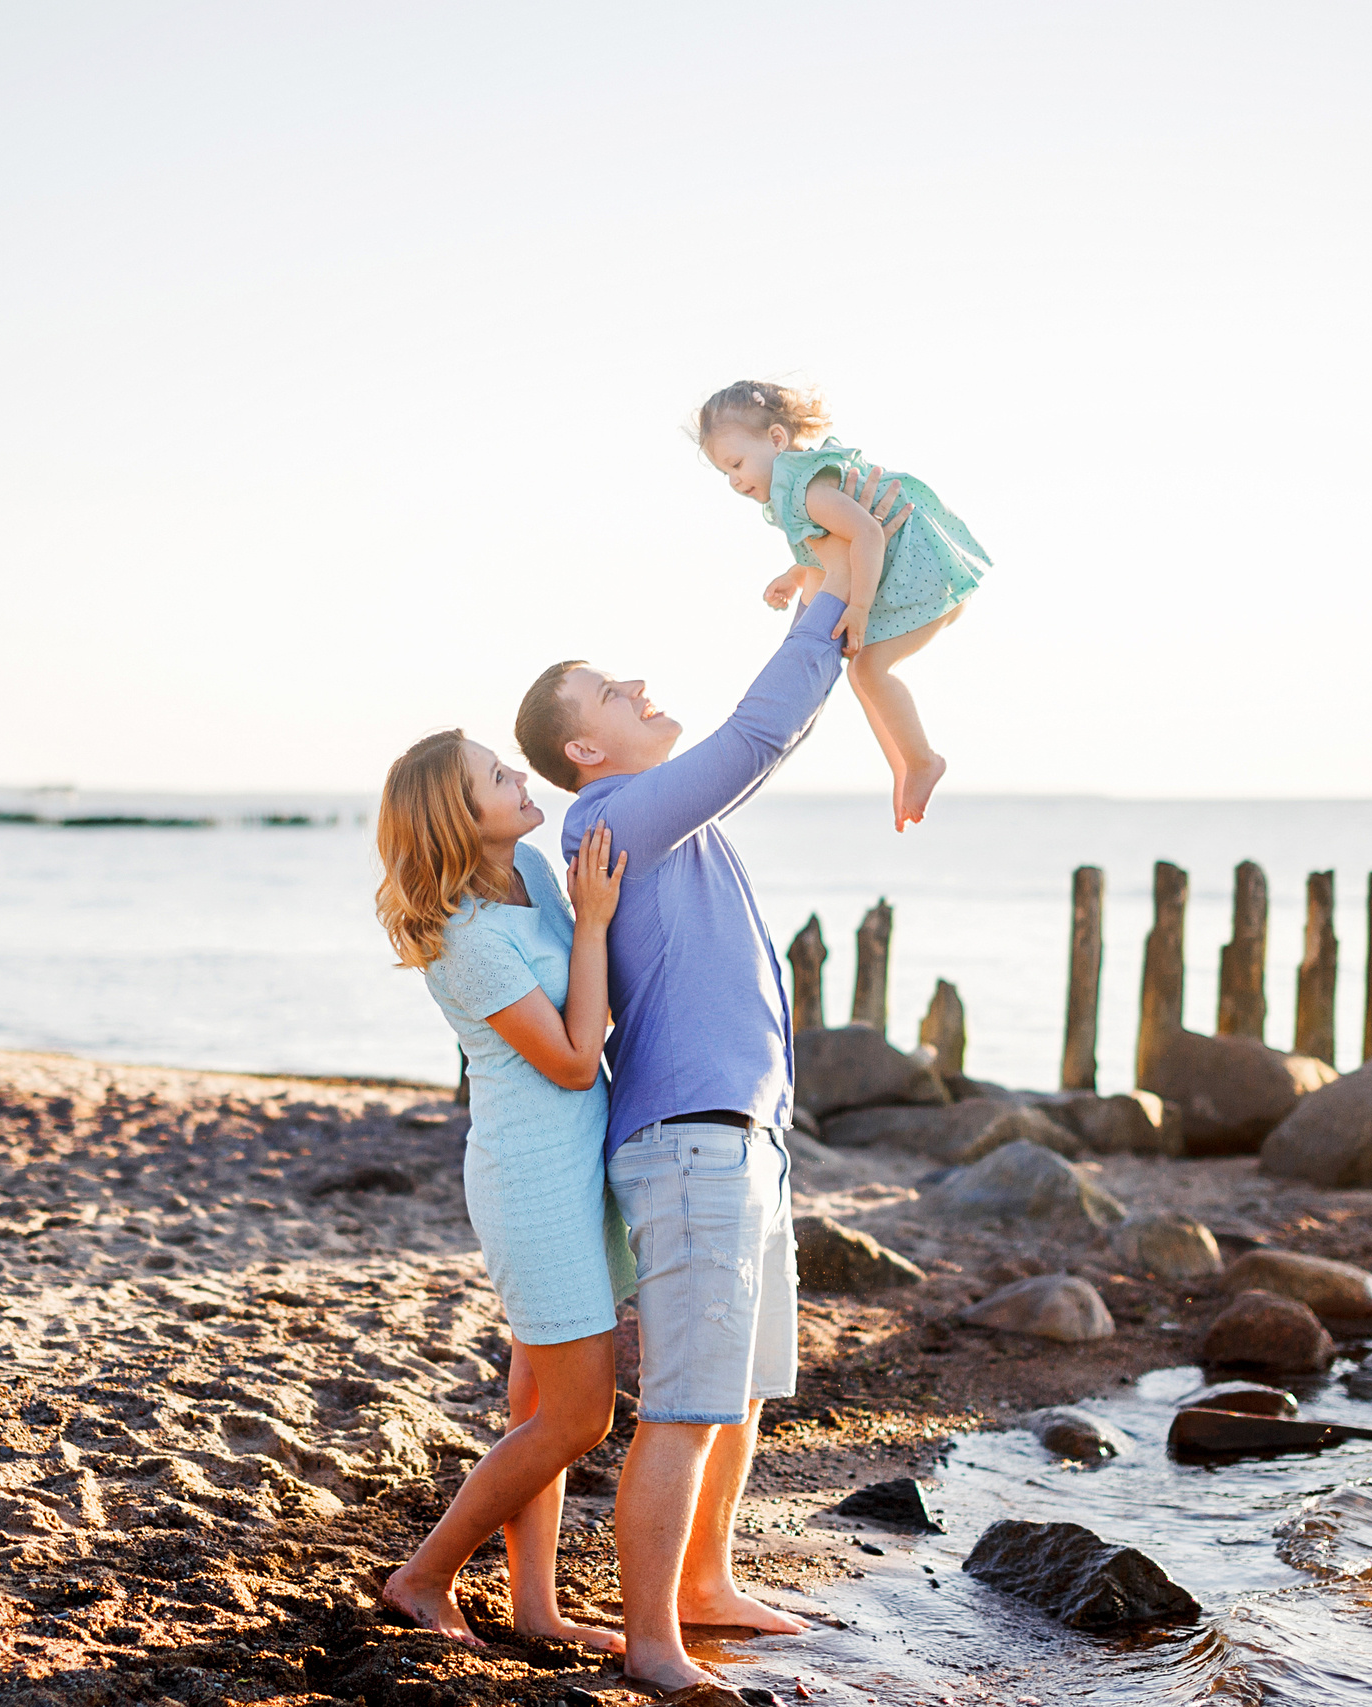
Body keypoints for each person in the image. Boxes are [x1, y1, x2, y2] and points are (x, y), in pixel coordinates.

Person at [513, 469, 911, 1693]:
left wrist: (829, 571)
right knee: (685, 1404)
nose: (637, 689)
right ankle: (651, 1645)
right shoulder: (616, 817)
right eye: (610, 691)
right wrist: (822, 613)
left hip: (740, 1137)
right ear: (587, 747)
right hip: (688, 1141)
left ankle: (703, 1583)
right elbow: (758, 736)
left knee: (733, 1395)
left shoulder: (641, 819)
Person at [371, 729, 635, 1653]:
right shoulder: (464, 938)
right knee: (578, 1414)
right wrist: (594, 921)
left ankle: (535, 1607)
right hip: (533, 1180)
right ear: (458, 816)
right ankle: (423, 1575)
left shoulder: (525, 864)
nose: (520, 777)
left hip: (575, 1166)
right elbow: (569, 1059)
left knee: (539, 1406)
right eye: (496, 775)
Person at [695, 378, 988, 831]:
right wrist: (795, 577)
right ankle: (906, 767)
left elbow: (867, 534)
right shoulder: (791, 487)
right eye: (725, 473)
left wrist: (859, 609)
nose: (734, 480)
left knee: (869, 671)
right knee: (863, 674)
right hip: (910, 578)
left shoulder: (805, 488)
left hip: (924, 580)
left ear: (776, 439)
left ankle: (924, 760)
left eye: (737, 463)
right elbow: (830, 546)